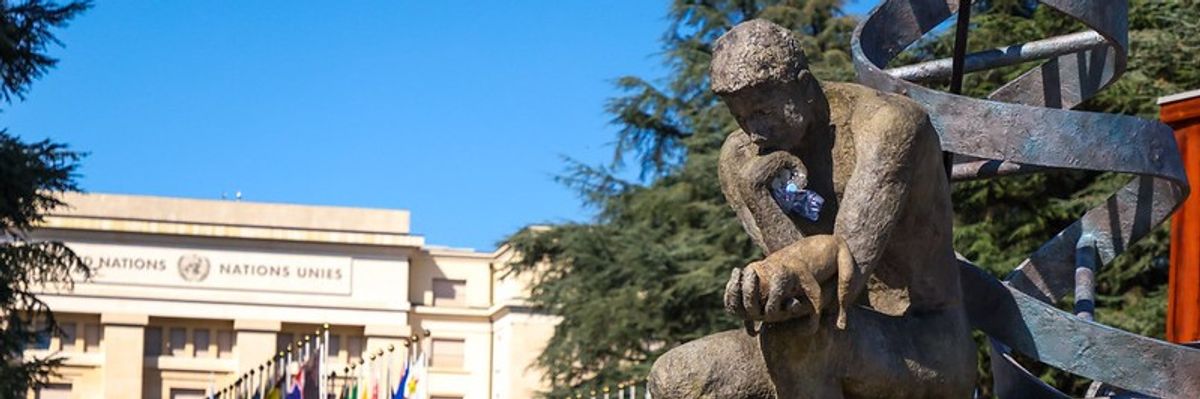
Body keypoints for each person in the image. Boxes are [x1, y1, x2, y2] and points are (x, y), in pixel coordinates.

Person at [649, 19, 976, 398]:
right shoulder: (742, 158)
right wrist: (758, 202)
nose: (754, 132)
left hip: (926, 344)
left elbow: (841, 280)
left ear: (804, 85)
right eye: (740, 117)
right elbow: (789, 289)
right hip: (828, 335)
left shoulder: (888, 126)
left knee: (799, 340)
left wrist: (778, 282)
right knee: (676, 376)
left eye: (764, 113)